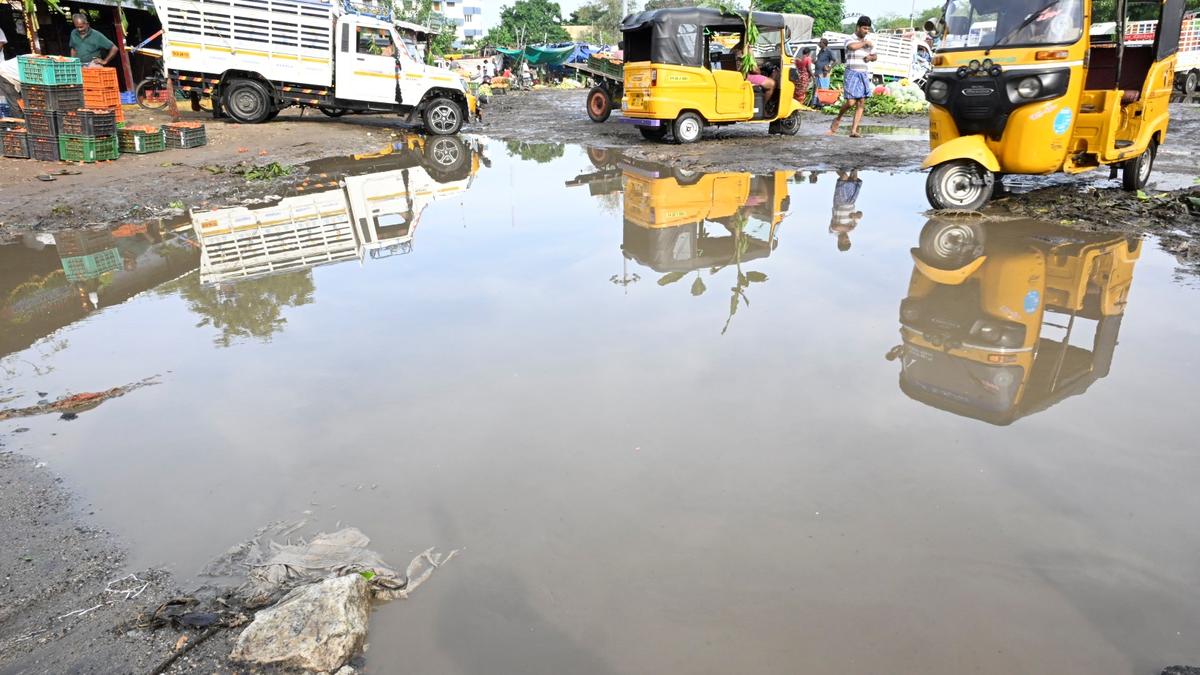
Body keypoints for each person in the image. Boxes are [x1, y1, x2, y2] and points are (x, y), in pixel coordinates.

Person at [829, 16, 877, 138]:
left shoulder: (869, 40)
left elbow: (875, 56)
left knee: (861, 102)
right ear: (858, 27)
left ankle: (854, 130)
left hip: (863, 73)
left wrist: (870, 57)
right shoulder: (849, 38)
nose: (866, 31)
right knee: (850, 102)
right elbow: (852, 47)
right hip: (851, 72)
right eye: (864, 28)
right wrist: (864, 43)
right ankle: (838, 118)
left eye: (868, 29)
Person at [830, 169, 863, 251]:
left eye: (845, 241)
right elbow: (860, 215)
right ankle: (854, 165)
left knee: (844, 177)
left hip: (839, 202)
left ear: (839, 241)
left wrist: (849, 228)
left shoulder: (833, 231)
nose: (847, 238)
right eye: (848, 240)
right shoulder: (851, 227)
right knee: (854, 179)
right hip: (851, 202)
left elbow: (835, 226)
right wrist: (857, 215)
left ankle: (834, 167)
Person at [812, 38, 834, 106]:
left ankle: (822, 103)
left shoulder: (828, 51)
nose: (819, 43)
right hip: (818, 73)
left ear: (824, 44)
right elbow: (820, 61)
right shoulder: (820, 51)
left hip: (824, 73)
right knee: (817, 89)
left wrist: (828, 67)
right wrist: (815, 62)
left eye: (820, 42)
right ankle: (816, 103)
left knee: (823, 88)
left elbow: (834, 60)